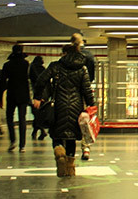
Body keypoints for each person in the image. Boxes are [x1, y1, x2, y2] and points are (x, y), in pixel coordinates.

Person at [32, 44, 95, 177]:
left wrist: (37, 97)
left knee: (57, 133)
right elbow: (87, 89)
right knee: (71, 136)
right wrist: (91, 105)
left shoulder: (55, 66)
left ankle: (59, 151)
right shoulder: (82, 68)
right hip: (76, 106)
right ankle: (70, 167)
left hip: (58, 105)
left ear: (64, 53)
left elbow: (41, 80)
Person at [1, 44, 31, 152]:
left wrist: (0, 95)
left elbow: (2, 81)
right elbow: (29, 80)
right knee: (22, 119)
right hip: (23, 95)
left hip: (12, 94)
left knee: (9, 118)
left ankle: (12, 140)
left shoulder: (7, 65)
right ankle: (22, 145)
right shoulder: (26, 64)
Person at [70, 33, 95, 160]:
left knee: (69, 120)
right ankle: (86, 148)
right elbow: (92, 77)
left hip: (68, 94)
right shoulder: (89, 56)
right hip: (83, 94)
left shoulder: (68, 56)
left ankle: (69, 147)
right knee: (84, 120)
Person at [29, 56, 48, 140]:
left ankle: (40, 131)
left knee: (36, 114)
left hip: (35, 95)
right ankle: (37, 132)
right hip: (44, 95)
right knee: (39, 114)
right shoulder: (43, 69)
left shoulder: (32, 68)